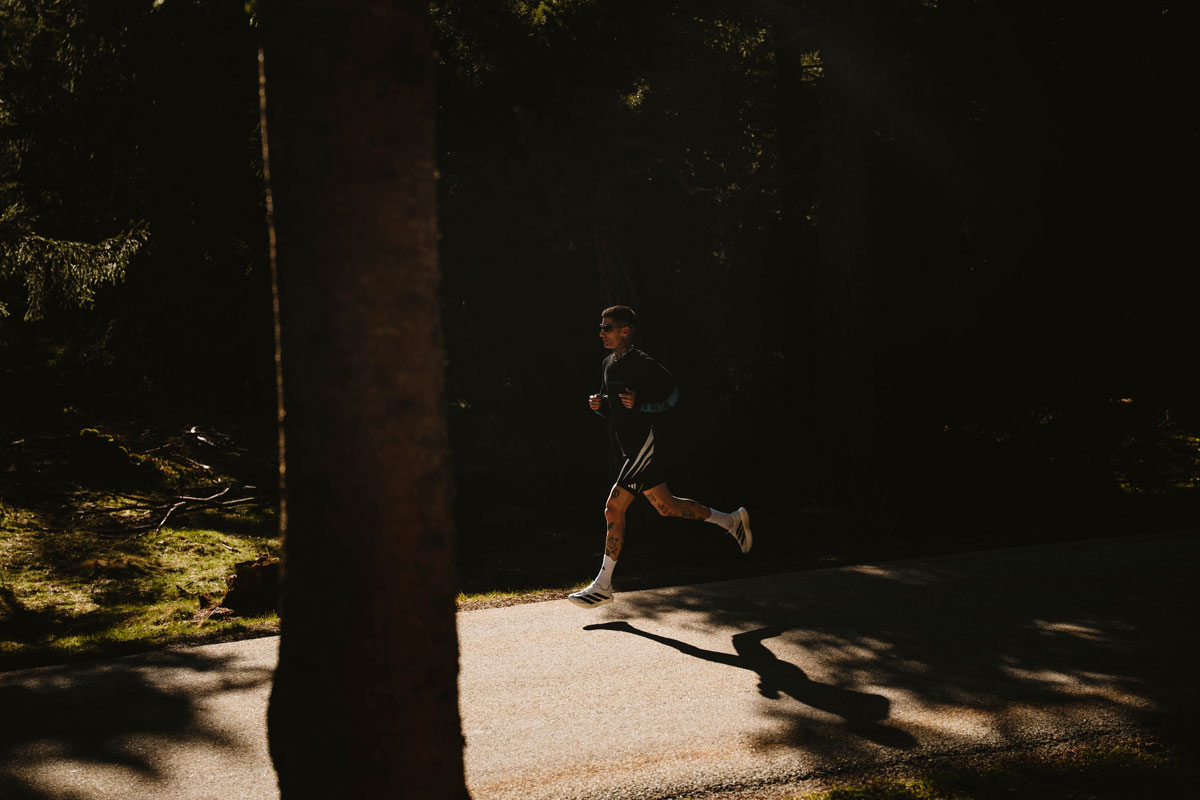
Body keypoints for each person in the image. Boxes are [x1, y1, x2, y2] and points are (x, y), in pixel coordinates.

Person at [568, 305, 752, 609]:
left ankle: (603, 585)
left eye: (608, 327)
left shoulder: (644, 364)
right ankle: (731, 522)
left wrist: (641, 404)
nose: (601, 333)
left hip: (645, 444)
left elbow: (674, 398)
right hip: (631, 447)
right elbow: (615, 409)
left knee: (613, 508)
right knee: (667, 508)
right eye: (601, 327)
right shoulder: (607, 364)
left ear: (625, 331)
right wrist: (599, 405)